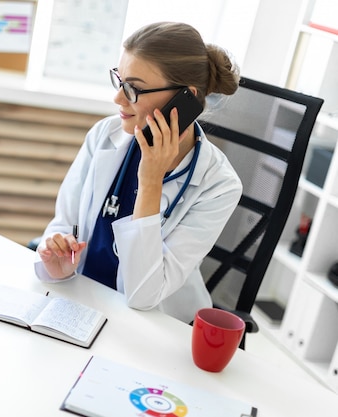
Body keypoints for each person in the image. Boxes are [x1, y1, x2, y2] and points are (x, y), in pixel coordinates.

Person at [34, 22, 243, 324]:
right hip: (81, 299)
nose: (118, 98)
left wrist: (150, 181)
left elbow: (143, 295)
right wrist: (58, 257)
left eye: (134, 88)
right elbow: (64, 224)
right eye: (119, 80)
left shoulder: (218, 185)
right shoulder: (105, 134)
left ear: (185, 98)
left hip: (152, 327)